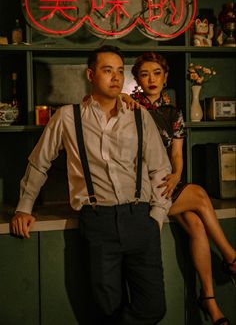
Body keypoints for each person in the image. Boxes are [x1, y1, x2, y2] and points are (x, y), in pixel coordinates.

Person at [11, 45, 172, 325]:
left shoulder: (138, 115)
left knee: (153, 308)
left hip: (139, 219)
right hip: (98, 222)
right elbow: (39, 162)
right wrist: (24, 207)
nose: (116, 77)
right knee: (106, 310)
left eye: (120, 71)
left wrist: (155, 218)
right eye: (107, 70)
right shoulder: (67, 117)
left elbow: (161, 170)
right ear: (90, 74)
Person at [123, 51, 235, 325]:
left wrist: (176, 176)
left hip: (165, 182)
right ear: (137, 79)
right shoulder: (129, 106)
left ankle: (209, 301)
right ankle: (231, 257)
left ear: (165, 77)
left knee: (197, 225)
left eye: (157, 73)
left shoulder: (173, 112)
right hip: (139, 186)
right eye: (145, 74)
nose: (151, 79)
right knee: (199, 194)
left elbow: (177, 154)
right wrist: (123, 98)